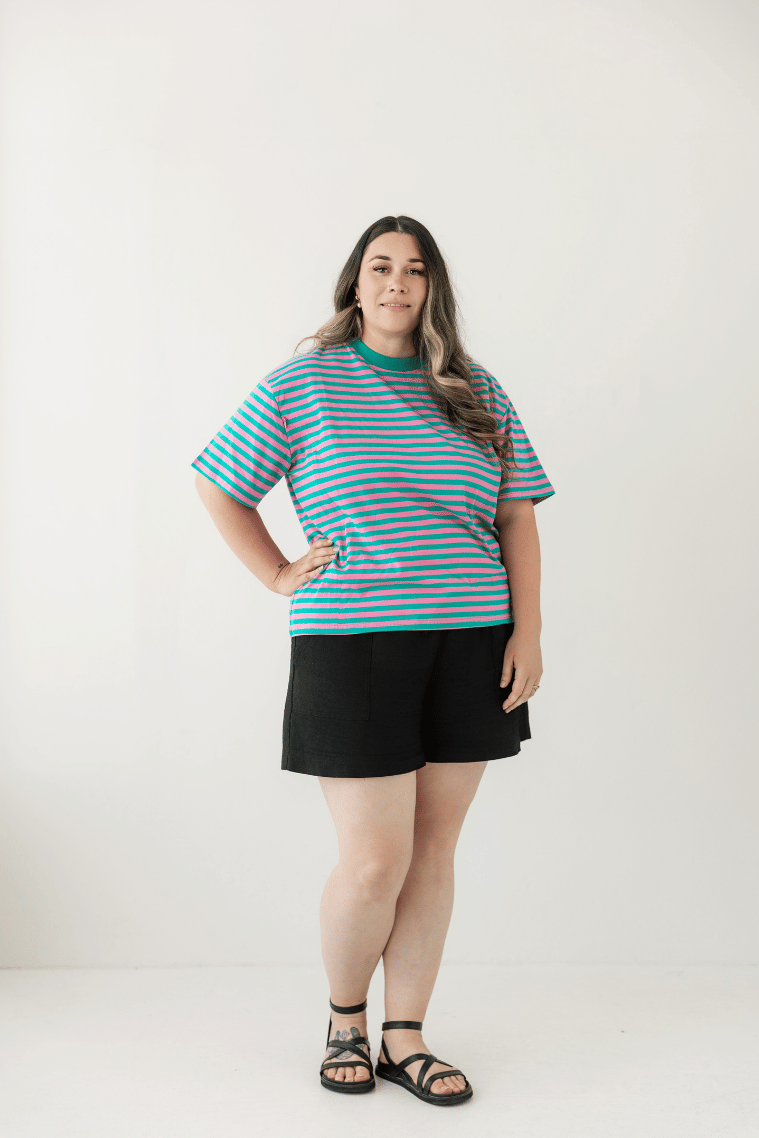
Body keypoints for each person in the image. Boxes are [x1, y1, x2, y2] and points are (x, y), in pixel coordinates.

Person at [191, 215, 556, 1106]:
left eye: (415, 269)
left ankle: (406, 1036)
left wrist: (529, 632)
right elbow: (218, 482)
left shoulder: (474, 388)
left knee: (432, 852)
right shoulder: (305, 381)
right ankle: (345, 1020)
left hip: (472, 638)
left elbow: (515, 514)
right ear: (355, 284)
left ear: (433, 288)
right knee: (371, 862)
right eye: (381, 266)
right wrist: (276, 571)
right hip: (351, 644)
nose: (397, 282)